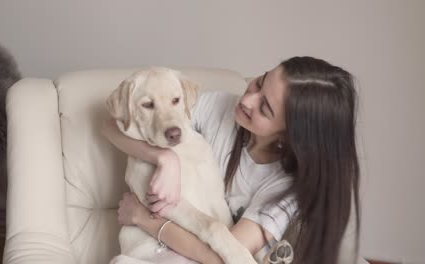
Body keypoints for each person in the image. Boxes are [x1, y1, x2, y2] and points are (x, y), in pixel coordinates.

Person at [103, 56, 360, 264]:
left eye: (265, 109)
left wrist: (144, 219)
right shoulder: (220, 108)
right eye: (260, 82)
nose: (247, 100)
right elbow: (111, 125)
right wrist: (163, 157)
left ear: (290, 135)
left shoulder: (285, 187)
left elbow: (223, 257)